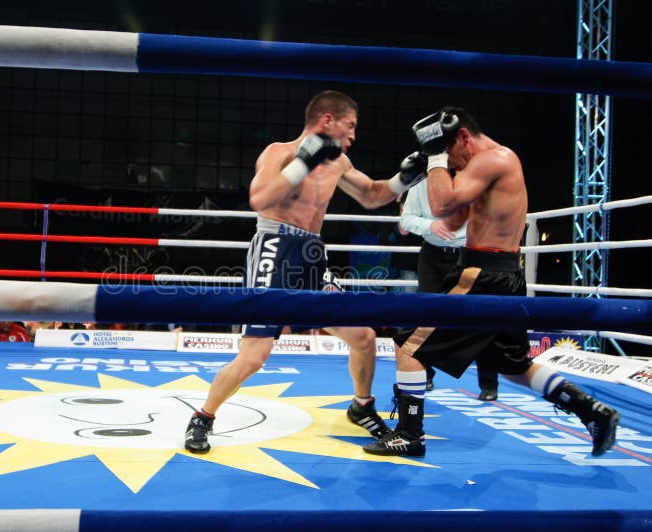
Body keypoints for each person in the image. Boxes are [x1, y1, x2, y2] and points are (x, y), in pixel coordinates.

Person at [364, 106, 620, 458]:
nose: (450, 163)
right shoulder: (484, 168)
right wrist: (432, 170)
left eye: (450, 152)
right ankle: (591, 411)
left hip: (481, 275)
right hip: (505, 275)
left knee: (408, 345)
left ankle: (410, 433)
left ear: (464, 137)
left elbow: (440, 206)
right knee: (513, 365)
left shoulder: (490, 159)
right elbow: (452, 223)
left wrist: (435, 157)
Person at [184, 90, 427, 453]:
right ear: (327, 119)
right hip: (274, 249)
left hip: (313, 254)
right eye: (350, 125)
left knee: (362, 337)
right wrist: (303, 162)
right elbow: (260, 198)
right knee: (254, 355)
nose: (353, 135)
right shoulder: (279, 152)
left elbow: (372, 195)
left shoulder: (340, 163)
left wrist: (403, 179)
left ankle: (361, 406)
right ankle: (202, 417)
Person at [399, 179, 500, 400]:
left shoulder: (474, 178)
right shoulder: (422, 183)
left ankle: (489, 383)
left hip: (470, 253)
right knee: (426, 315)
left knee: (482, 314)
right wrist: (430, 225)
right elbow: (405, 220)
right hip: (432, 255)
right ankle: (424, 374)